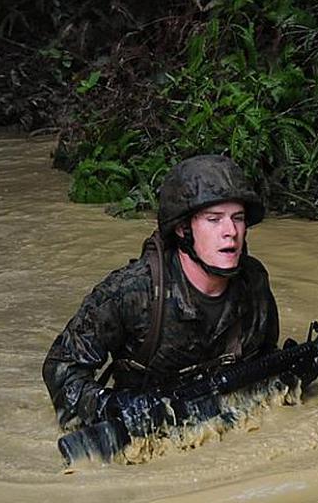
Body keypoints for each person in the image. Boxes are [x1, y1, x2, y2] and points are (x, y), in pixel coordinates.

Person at [42, 154, 280, 429]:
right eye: (214, 220)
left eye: (238, 219)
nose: (231, 232)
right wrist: (113, 408)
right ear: (182, 229)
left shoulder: (254, 283)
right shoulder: (132, 293)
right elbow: (61, 369)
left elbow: (265, 357)